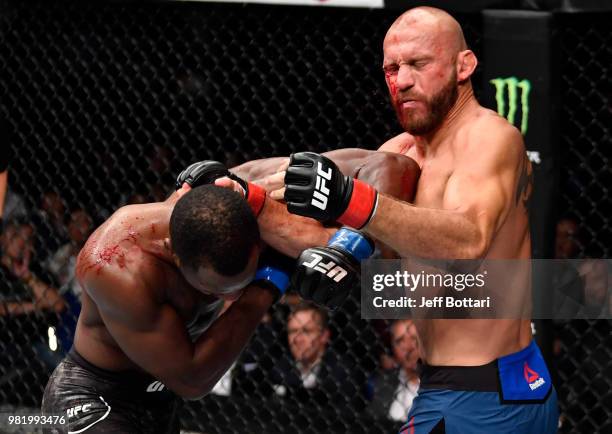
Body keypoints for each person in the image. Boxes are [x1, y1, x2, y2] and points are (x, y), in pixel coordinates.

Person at [275, 6, 558, 433]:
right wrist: (249, 195)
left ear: (464, 66)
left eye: (418, 64)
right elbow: (321, 209)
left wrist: (353, 201)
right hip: (470, 385)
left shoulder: (491, 137)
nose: (401, 80)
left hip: (483, 394)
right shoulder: (403, 152)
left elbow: (468, 238)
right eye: (392, 67)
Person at [41, 184, 292, 434]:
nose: (231, 295)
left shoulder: (237, 204)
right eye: (214, 289)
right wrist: (265, 287)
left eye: (241, 285)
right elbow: (192, 379)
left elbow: (310, 174)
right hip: (95, 397)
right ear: (176, 255)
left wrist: (329, 248)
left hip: (161, 400)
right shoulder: (118, 267)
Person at [368, 320, 420, 424]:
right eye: (400, 341)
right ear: (392, 346)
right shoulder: (383, 383)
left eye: (414, 339)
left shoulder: (447, 387)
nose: (408, 347)